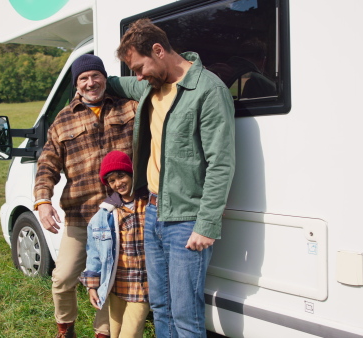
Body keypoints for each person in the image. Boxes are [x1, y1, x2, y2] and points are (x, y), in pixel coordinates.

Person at [107, 18, 236, 337]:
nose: (137, 77)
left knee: (186, 315)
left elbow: (221, 163)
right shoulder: (151, 86)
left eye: (139, 67)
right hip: (152, 213)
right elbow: (116, 84)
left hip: (186, 220)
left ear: (158, 50)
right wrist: (88, 75)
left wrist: (206, 225)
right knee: (161, 308)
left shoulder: (207, 90)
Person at [34, 54, 138, 338]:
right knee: (63, 277)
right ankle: (65, 329)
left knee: (111, 277)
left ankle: (103, 333)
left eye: (95, 76)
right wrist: (43, 201)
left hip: (121, 215)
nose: (91, 83)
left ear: (104, 77)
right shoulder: (63, 120)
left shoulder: (129, 108)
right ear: (76, 84)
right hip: (80, 215)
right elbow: (47, 164)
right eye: (83, 78)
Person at [79, 150, 150, 338]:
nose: (118, 183)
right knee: (115, 331)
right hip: (117, 284)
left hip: (144, 284)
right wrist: (92, 285)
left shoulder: (150, 204)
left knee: (130, 333)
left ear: (131, 174)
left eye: (121, 176)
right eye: (112, 180)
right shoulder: (104, 215)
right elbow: (94, 252)